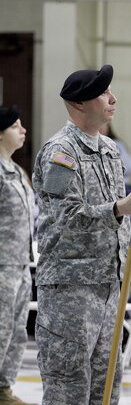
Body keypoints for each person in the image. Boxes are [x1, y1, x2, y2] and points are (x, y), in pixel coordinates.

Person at [32, 65, 131, 405]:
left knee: (106, 383)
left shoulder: (111, 150)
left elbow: (119, 215)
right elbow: (64, 216)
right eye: (103, 93)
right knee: (68, 385)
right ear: (80, 104)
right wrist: (118, 209)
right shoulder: (61, 154)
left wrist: (126, 211)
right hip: (71, 288)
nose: (113, 98)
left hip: (108, 284)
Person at [0, 106, 37, 405]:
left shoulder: (17, 171)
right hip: (1, 264)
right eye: (15, 126)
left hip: (21, 264)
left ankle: (3, 388)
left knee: (16, 331)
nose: (23, 131)